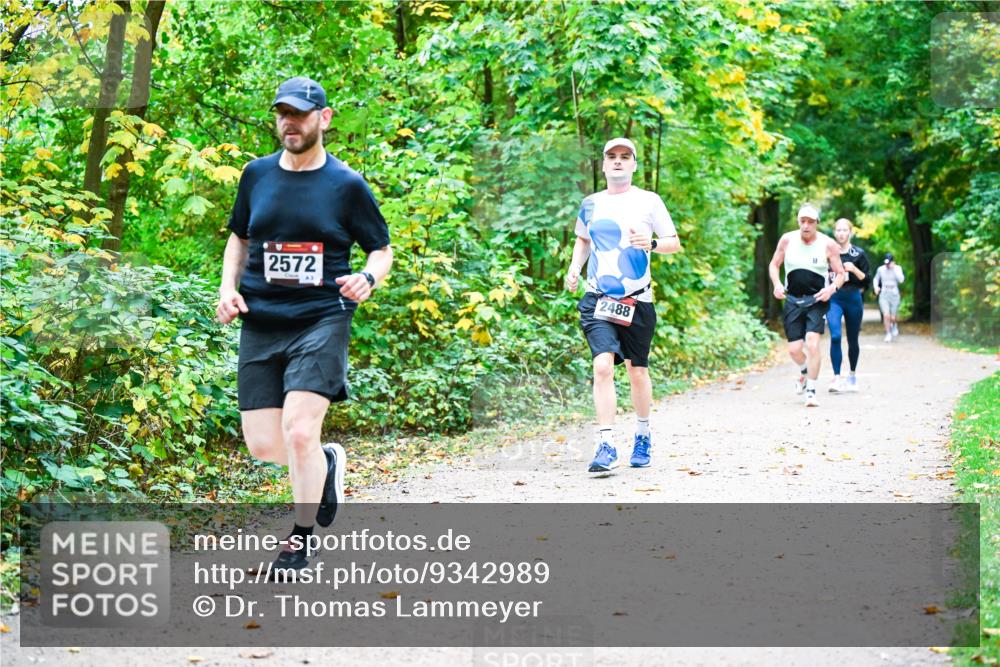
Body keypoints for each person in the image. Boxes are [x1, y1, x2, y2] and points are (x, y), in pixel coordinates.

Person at [216, 77, 392, 574]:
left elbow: (382, 249)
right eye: (282, 114)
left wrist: (366, 277)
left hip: (322, 317)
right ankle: (327, 462)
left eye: (299, 113)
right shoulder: (256, 175)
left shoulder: (346, 185)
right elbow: (239, 240)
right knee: (264, 444)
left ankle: (299, 539)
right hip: (262, 320)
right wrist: (227, 288)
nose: (289, 123)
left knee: (297, 432)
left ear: (324, 118)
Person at [565, 138, 682, 473]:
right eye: (611, 157)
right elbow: (583, 240)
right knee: (602, 366)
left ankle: (643, 433)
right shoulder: (590, 203)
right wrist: (575, 267)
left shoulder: (649, 201)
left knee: (637, 370)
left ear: (634, 164)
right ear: (603, 164)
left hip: (638, 300)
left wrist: (653, 243)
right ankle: (606, 444)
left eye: (624, 157)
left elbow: (674, 243)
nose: (618, 162)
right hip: (599, 298)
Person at [768, 203, 846, 407]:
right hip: (792, 299)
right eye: (802, 221)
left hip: (817, 300)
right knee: (794, 349)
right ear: (798, 221)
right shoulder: (787, 240)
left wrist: (831, 290)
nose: (806, 225)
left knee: (812, 343)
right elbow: (774, 264)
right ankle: (804, 371)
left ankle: (811, 391)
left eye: (810, 222)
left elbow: (841, 274)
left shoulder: (828, 244)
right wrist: (777, 284)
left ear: (817, 224)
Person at [827, 218, 870, 393]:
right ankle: (836, 378)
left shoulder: (858, 253)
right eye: (838, 230)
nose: (841, 233)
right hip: (834, 298)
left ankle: (852, 375)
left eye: (845, 230)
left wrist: (853, 269)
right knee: (836, 336)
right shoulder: (828, 253)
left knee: (853, 340)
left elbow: (867, 279)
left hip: (853, 297)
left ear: (850, 232)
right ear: (834, 233)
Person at [874, 252, 904, 342]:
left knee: (893, 317)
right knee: (886, 315)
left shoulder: (898, 268)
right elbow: (876, 279)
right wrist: (876, 287)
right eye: (886, 263)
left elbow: (901, 280)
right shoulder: (881, 269)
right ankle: (888, 333)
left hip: (894, 293)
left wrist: (894, 269)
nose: (887, 265)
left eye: (889, 263)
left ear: (892, 262)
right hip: (884, 293)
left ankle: (894, 325)